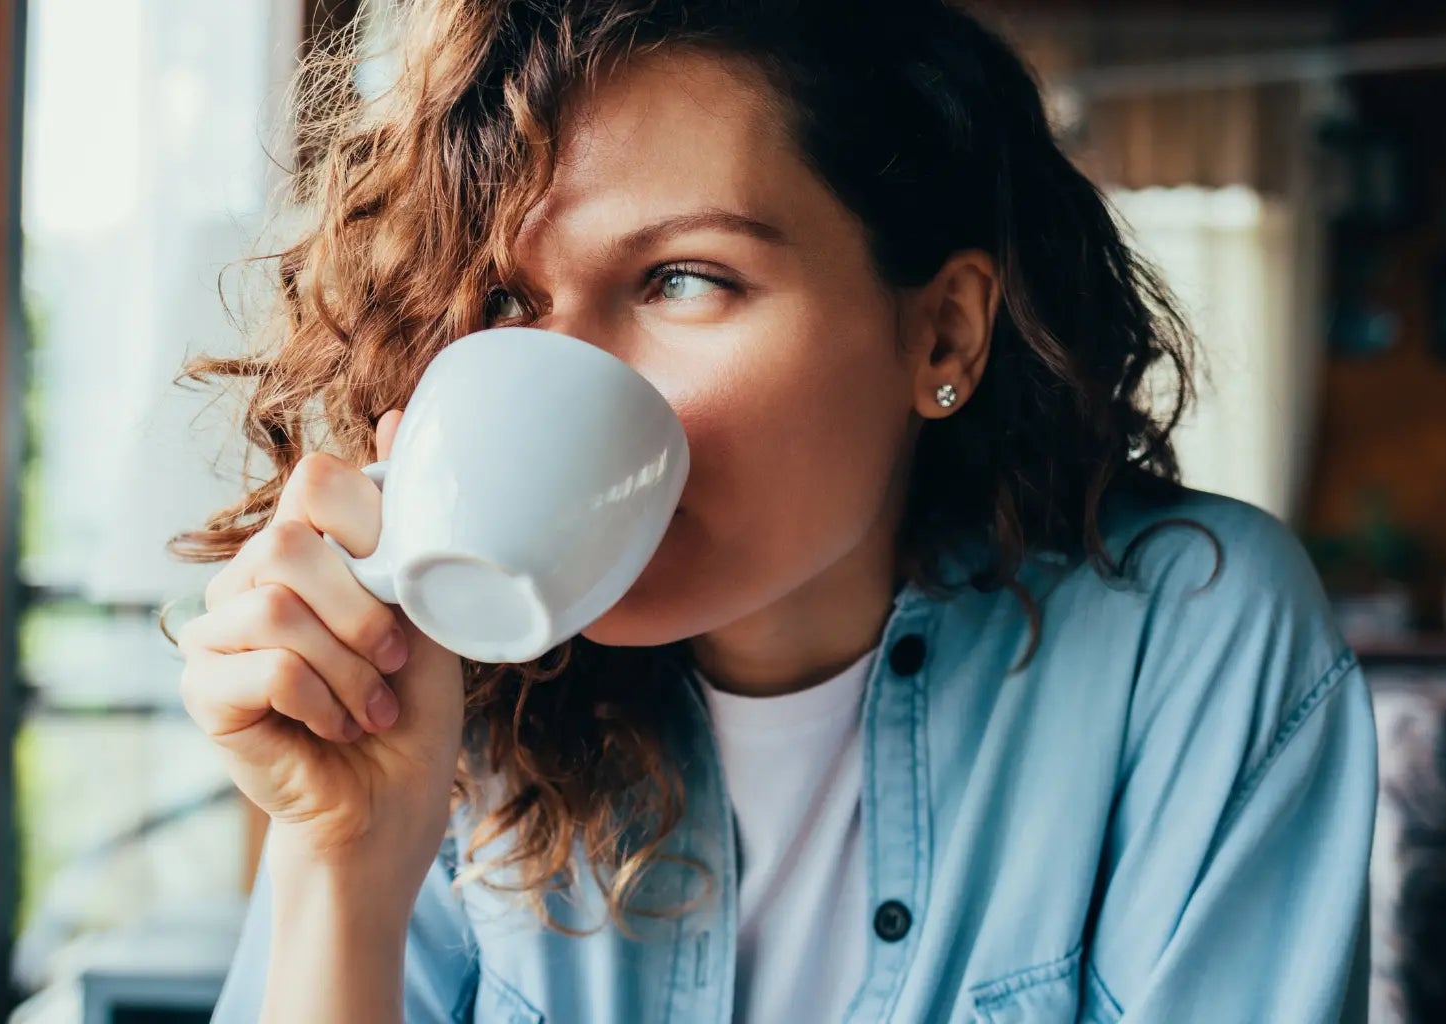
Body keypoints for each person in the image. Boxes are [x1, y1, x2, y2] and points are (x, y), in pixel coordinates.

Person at [179, 0, 1378, 1020]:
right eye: (504, 295)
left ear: (940, 331)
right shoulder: (445, 706)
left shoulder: (1186, 640)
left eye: (683, 278)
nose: (567, 378)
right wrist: (345, 866)